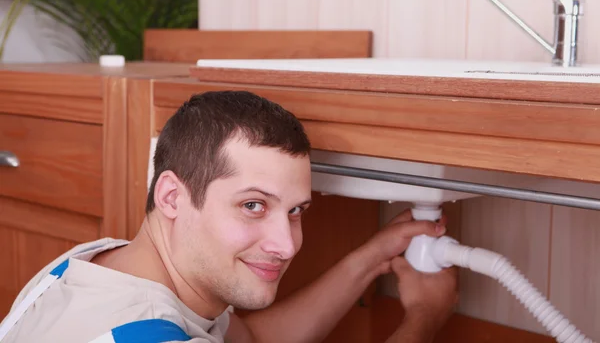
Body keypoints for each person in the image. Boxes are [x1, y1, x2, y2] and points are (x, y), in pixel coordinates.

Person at [0, 91, 457, 343]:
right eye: (253, 206)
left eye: (295, 211)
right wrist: (424, 317)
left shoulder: (90, 266)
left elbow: (252, 340)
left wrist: (370, 258)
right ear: (172, 197)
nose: (287, 244)